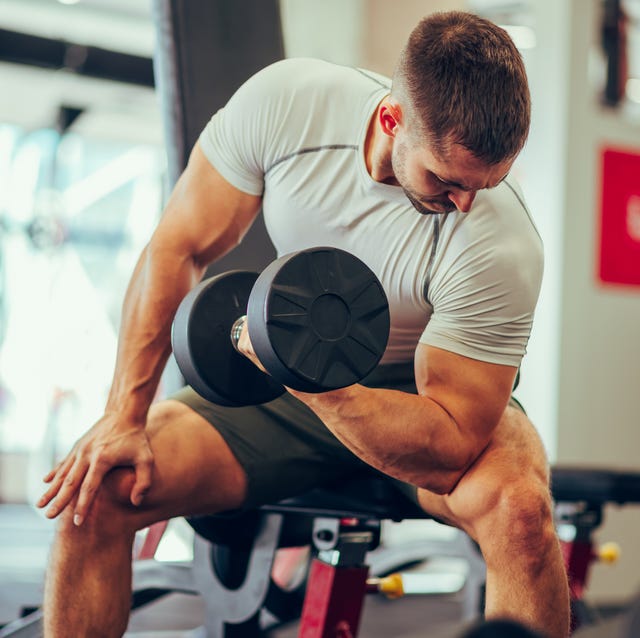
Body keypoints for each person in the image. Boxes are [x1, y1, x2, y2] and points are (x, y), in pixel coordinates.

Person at [38, 11, 570, 638]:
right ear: (392, 118)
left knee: (521, 515)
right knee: (97, 488)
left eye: (487, 185)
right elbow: (176, 249)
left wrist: (319, 384)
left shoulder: (500, 239)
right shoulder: (288, 104)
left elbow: (451, 442)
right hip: (283, 390)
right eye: (448, 180)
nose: (466, 203)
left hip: (422, 400)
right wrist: (123, 417)